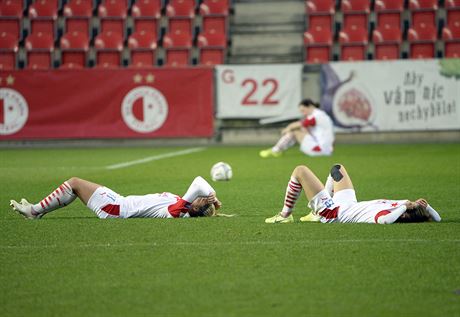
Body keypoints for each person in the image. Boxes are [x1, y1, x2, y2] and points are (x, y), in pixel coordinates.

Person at [265, 164, 442, 224]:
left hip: (334, 213)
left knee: (300, 171)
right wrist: (425, 207)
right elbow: (438, 219)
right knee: (337, 169)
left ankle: (285, 215)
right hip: (349, 204)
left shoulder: (387, 215)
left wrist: (405, 206)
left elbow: (384, 221)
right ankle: (314, 213)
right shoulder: (403, 207)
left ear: (404, 214)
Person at [10, 176, 223, 219]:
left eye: (201, 200)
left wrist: (213, 197)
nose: (201, 197)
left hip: (115, 207)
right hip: (118, 200)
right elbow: (198, 186)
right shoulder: (181, 205)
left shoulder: (178, 211)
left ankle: (34, 211)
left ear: (195, 208)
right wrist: (211, 200)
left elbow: (198, 182)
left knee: (74, 183)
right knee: (74, 186)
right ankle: (37, 211)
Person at [259, 99, 334, 158]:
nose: (303, 113)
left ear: (310, 106)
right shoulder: (320, 114)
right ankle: (278, 149)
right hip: (326, 149)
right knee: (302, 129)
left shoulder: (316, 116)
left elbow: (298, 124)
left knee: (295, 132)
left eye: (303, 110)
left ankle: (275, 150)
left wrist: (287, 128)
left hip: (319, 149)